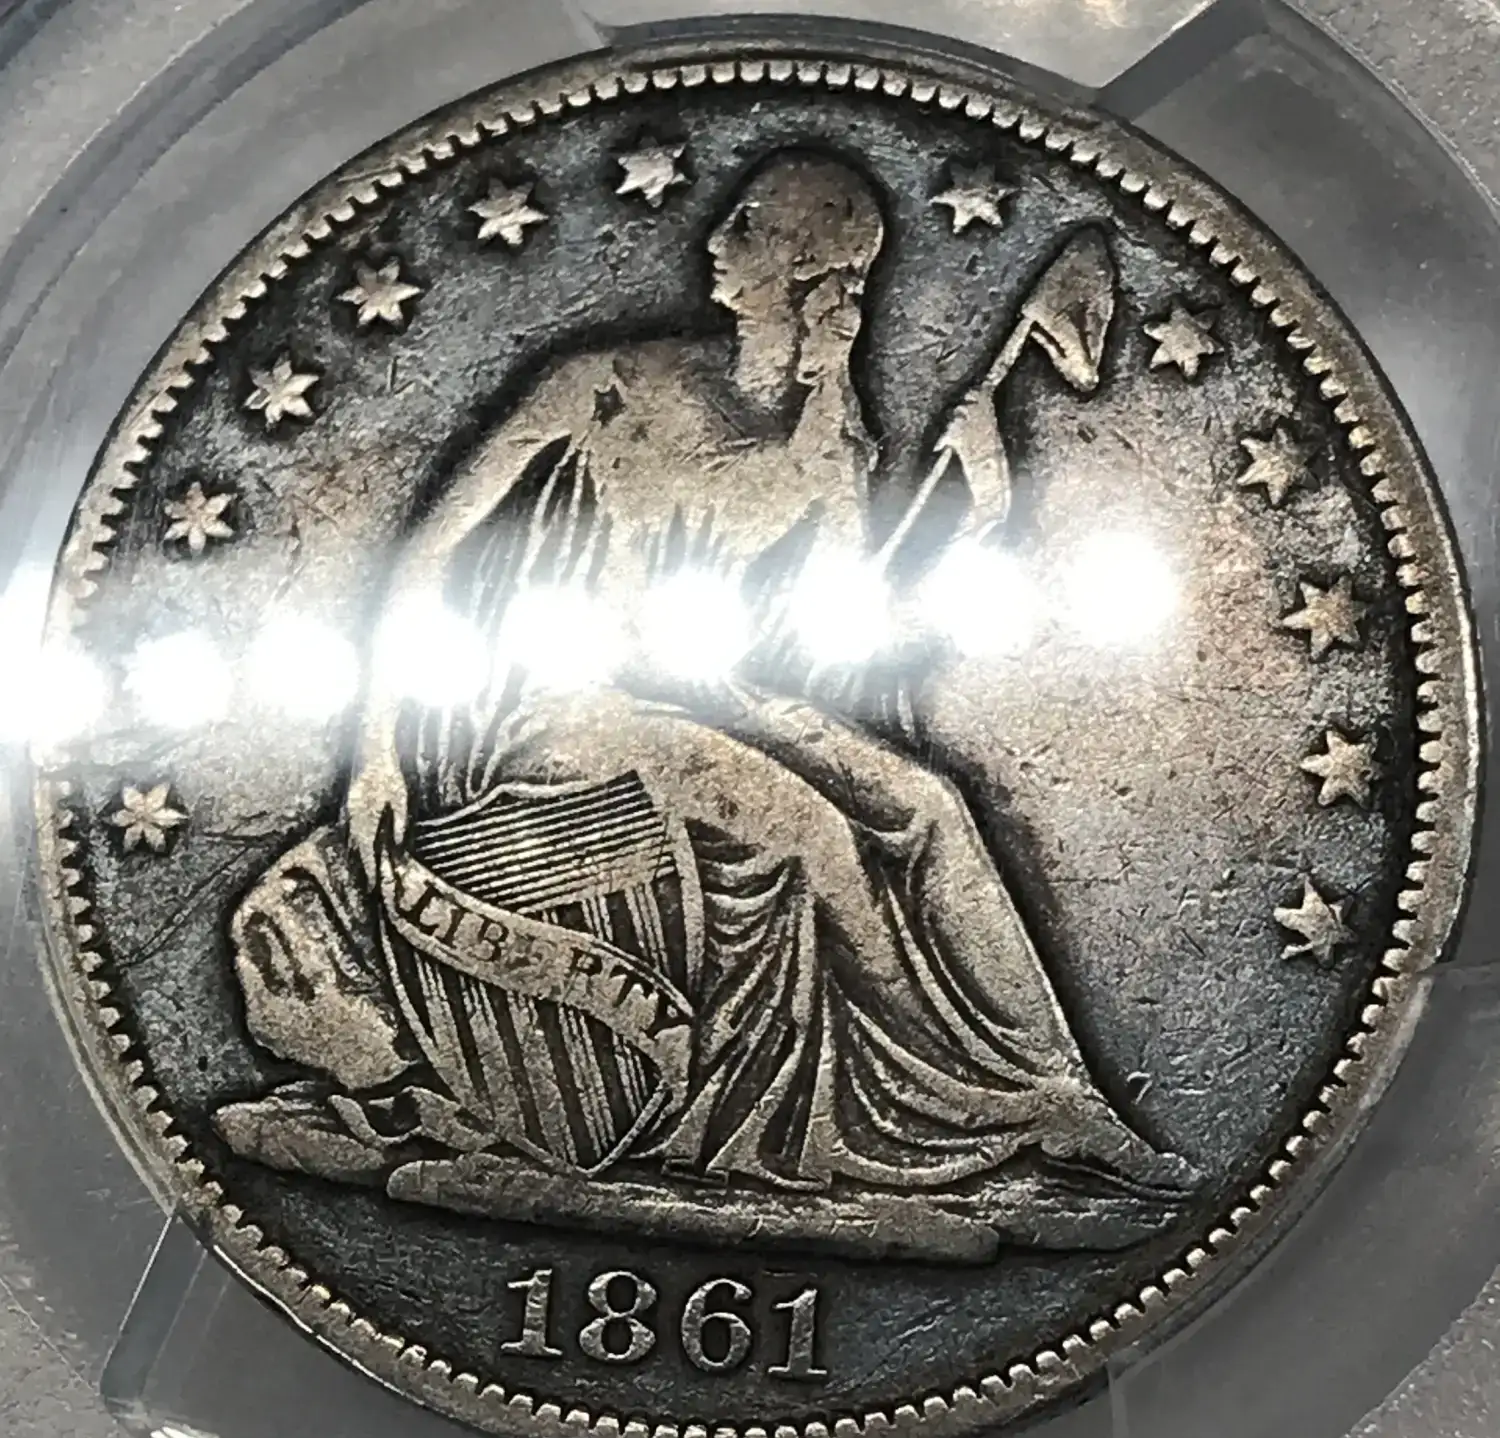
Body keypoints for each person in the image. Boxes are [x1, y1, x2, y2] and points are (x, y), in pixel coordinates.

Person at [218, 152, 1195, 1248]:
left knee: (930, 806)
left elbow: (843, 636)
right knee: (817, 836)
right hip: (560, 704)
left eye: (752, 228)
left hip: (708, 695)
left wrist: (966, 507)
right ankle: (956, 1115)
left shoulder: (832, 437)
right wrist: (375, 754)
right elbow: (427, 561)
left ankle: (1056, 1095)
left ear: (808, 275)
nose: (718, 238)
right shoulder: (604, 383)